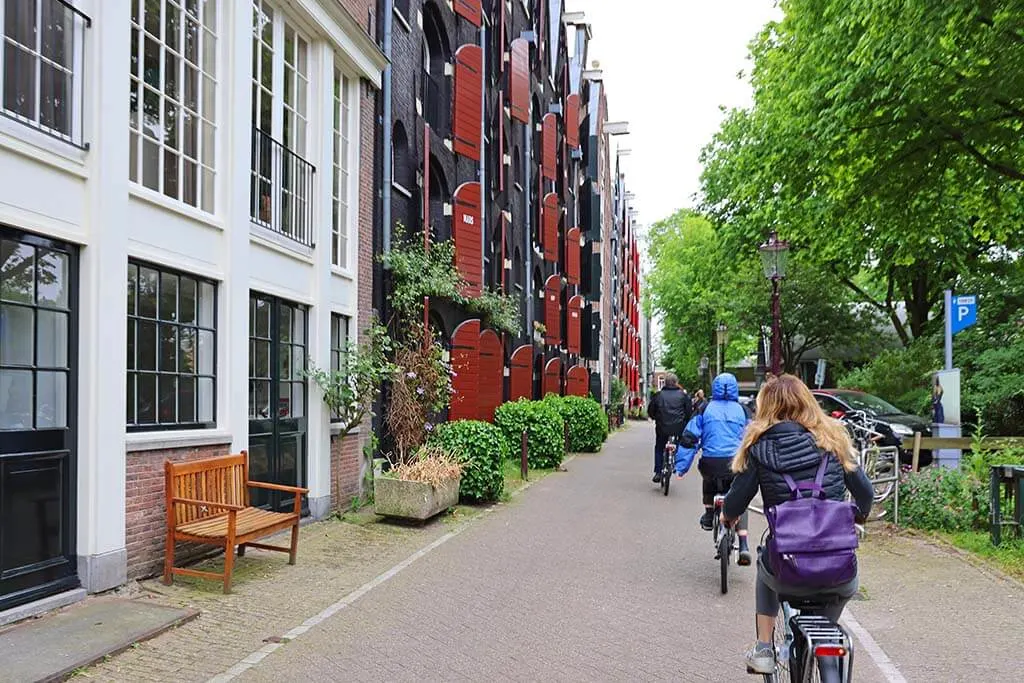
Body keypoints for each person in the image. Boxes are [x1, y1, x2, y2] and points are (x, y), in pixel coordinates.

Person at [721, 374, 874, 674]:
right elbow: (865, 493)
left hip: (786, 572)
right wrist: (858, 514)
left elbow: (735, 502)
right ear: (808, 403)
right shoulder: (834, 441)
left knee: (765, 568)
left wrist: (728, 515)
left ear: (766, 408)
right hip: (839, 573)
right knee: (833, 614)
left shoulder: (759, 450)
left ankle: (764, 648)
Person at [674, 373, 751, 564]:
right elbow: (753, 437)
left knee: (708, 480)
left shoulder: (704, 408)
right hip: (735, 463)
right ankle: (743, 544)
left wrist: (681, 467)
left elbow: (689, 438)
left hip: (711, 463)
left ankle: (709, 515)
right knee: (741, 498)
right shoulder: (743, 410)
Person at [647, 373, 692, 484]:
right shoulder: (683, 396)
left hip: (662, 427)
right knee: (678, 445)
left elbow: (651, 410)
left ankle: (658, 471)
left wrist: (654, 418)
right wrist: (685, 421)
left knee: (659, 447)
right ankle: (676, 464)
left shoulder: (659, 395)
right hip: (678, 428)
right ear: (676, 383)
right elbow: (688, 411)